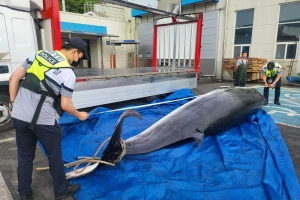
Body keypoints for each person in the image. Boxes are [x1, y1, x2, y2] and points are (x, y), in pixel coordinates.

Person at [9, 37, 90, 200]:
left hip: (19, 115)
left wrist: (13, 104)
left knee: (25, 156)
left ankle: (24, 193)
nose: (80, 59)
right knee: (55, 156)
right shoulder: (68, 74)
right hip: (44, 121)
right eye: (81, 55)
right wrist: (80, 114)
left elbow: (14, 78)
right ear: (74, 51)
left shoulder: (36, 55)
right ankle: (60, 192)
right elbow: (66, 105)